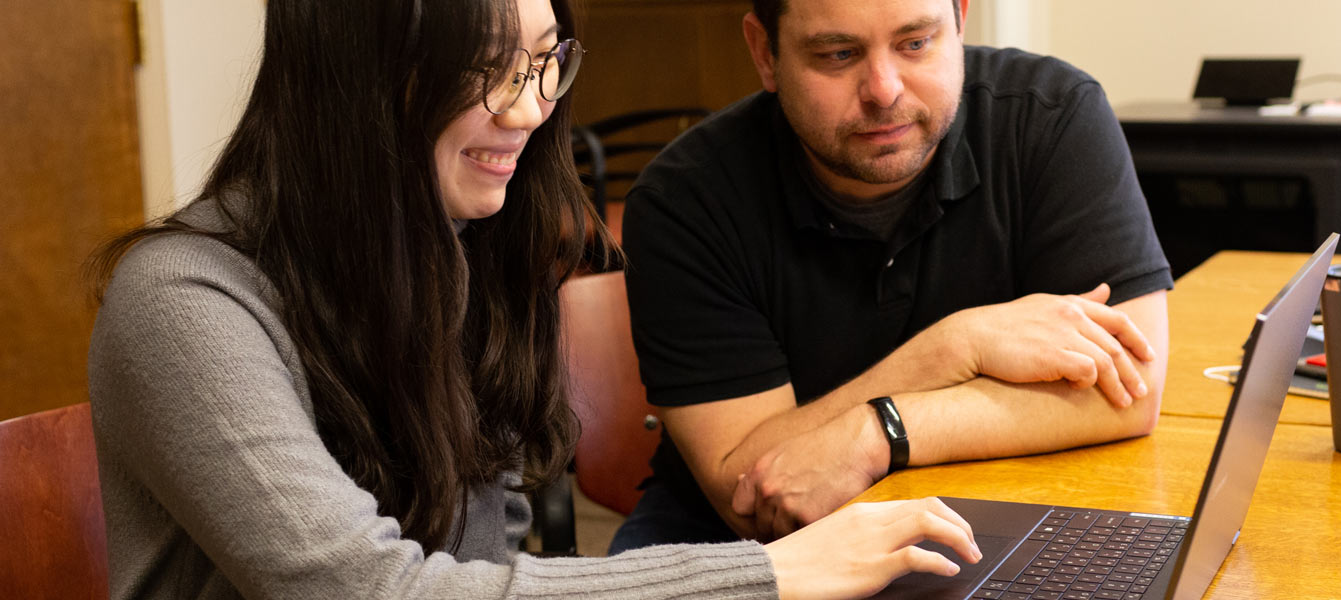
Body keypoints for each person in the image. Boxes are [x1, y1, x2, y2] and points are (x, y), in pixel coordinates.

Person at [85, 0, 980, 597]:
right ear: (349, 83)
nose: (528, 109)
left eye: (545, 61)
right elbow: (371, 589)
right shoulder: (183, 304)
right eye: (486, 70)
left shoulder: (461, 252)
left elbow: (486, 558)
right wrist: (771, 576)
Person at [611, 0, 1172, 552]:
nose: (884, 89)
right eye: (837, 54)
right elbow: (751, 491)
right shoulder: (685, 200)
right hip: (740, 545)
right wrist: (955, 347)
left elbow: (1128, 392)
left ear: (960, 22)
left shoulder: (1050, 114)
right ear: (765, 53)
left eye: (916, 43)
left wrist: (879, 432)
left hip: (993, 496)